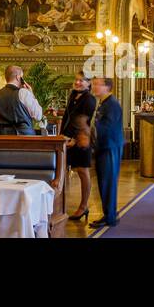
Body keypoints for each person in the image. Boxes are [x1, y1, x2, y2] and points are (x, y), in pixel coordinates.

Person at [59, 76, 96, 221]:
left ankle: (83, 206)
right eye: (76, 79)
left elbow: (84, 121)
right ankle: (59, 206)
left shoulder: (89, 99)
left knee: (82, 171)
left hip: (81, 140)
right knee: (62, 170)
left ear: (89, 84)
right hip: (66, 139)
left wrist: (74, 139)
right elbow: (68, 118)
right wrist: (61, 135)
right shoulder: (73, 96)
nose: (78, 82)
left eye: (82, 80)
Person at [91, 76, 123, 229]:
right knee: (104, 183)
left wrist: (87, 132)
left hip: (110, 148)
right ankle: (108, 214)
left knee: (108, 183)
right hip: (103, 147)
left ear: (107, 87)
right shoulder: (104, 103)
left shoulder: (112, 104)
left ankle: (110, 217)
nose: (94, 86)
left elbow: (106, 127)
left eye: (98, 84)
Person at [0, 65, 44, 135]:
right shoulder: (24, 93)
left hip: (4, 137)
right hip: (25, 138)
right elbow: (38, 116)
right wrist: (31, 94)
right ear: (18, 77)